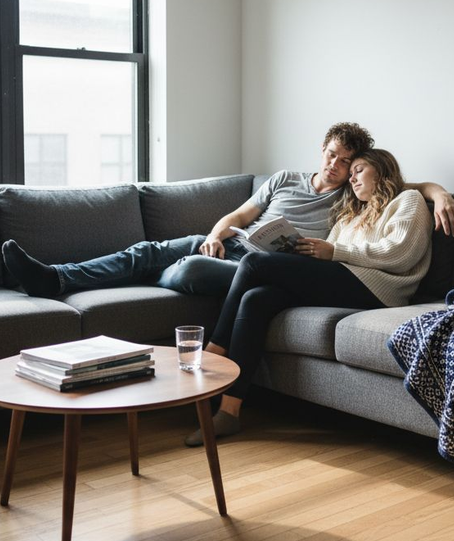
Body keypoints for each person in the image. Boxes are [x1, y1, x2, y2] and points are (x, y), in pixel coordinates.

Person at [1, 122, 454, 299]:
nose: (338, 167)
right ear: (321, 150)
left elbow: (399, 186)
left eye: (347, 162)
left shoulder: (351, 200)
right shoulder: (283, 179)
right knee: (147, 250)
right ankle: (55, 277)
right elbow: (239, 217)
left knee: (190, 274)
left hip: (267, 265)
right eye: (333, 155)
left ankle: (170, 270)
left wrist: (438, 193)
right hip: (237, 246)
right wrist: (217, 234)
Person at [184, 148, 433, 446]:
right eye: (350, 173)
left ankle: (215, 349)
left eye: (358, 170)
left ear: (381, 171)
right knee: (256, 299)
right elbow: (329, 257)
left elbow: (399, 254)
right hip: (344, 282)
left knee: (253, 263)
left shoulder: (408, 201)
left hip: (379, 290)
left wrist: (334, 252)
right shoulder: (352, 214)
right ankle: (229, 411)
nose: (351, 177)